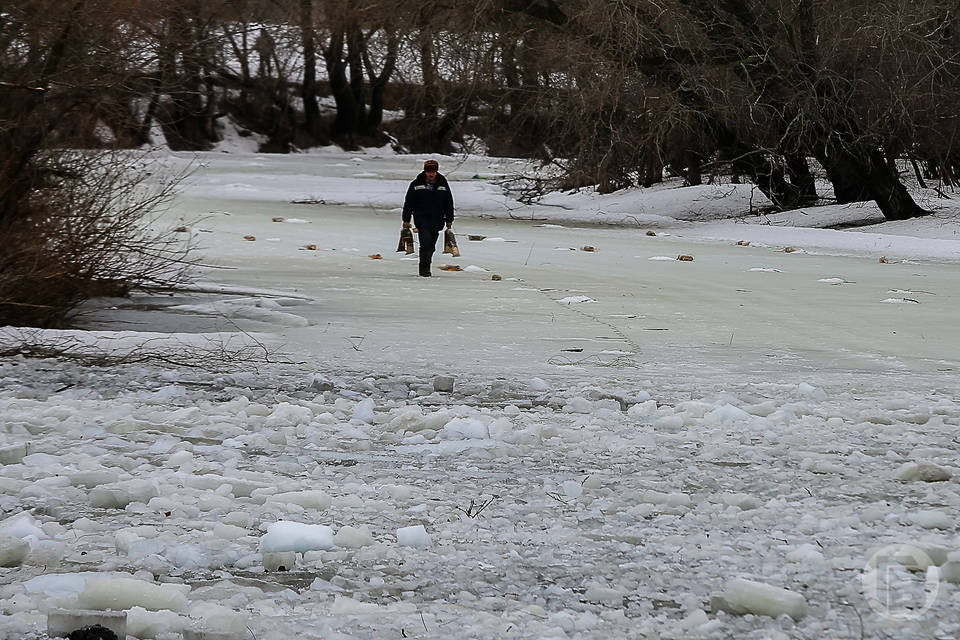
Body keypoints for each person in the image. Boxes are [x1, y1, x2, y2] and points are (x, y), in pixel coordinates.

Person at [401, 159, 454, 277]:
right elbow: (409, 203)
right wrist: (406, 219)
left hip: (437, 219)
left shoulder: (443, 184)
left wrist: (449, 220)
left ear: (436, 171)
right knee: (425, 243)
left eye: (433, 171)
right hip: (421, 218)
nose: (431, 174)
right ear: (425, 171)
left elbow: (449, 202)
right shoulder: (416, 184)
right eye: (429, 171)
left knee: (431, 246)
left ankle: (426, 266)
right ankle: (424, 269)